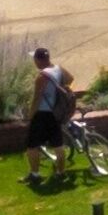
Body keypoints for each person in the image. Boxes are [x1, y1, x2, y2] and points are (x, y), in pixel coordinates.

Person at [25, 47, 71, 184]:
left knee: (32, 146)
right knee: (58, 145)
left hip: (42, 114)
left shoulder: (41, 77)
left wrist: (30, 115)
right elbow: (70, 79)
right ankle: (61, 173)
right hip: (55, 113)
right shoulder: (58, 69)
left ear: (38, 60)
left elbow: (37, 99)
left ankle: (35, 174)